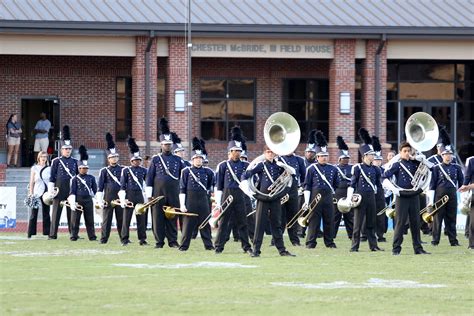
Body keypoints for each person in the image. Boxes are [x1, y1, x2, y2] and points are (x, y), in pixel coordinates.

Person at [242, 145, 295, 257]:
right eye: (268, 152)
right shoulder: (261, 165)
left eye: (272, 152)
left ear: (275, 154)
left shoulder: (278, 165)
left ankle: (282, 250)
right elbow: (246, 174)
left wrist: (283, 165)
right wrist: (248, 190)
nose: (270, 154)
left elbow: (292, 173)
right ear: (264, 154)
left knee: (277, 224)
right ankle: (256, 250)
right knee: (260, 224)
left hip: (275, 198)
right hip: (262, 199)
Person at [383, 141, 430, 255]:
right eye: (405, 151)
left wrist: (419, 158)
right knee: (400, 223)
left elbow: (431, 167)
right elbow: (384, 177)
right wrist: (394, 190)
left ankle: (418, 248)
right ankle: (396, 249)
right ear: (400, 153)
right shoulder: (396, 165)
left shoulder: (415, 163)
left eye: (409, 151)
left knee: (415, 222)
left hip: (414, 195)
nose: (407, 153)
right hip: (402, 196)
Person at [146, 118, 184, 249]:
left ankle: (173, 241)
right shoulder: (156, 159)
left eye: (169, 144)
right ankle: (159, 241)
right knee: (158, 217)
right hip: (158, 192)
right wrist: (149, 195)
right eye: (165, 144)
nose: (167, 146)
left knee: (172, 216)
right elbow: (149, 178)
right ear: (161, 145)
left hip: (173, 192)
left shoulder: (178, 159)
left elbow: (182, 177)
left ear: (172, 145)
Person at [214, 126, 252, 254]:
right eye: (234, 150)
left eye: (239, 151)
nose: (237, 153)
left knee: (243, 222)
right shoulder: (223, 165)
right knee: (224, 222)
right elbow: (219, 185)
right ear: (229, 152)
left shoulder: (246, 165)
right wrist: (219, 203)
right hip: (227, 194)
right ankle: (219, 246)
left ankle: (246, 246)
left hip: (240, 195)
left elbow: (252, 181)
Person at [302, 130, 339, 249]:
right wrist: (307, 201)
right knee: (314, 220)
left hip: (328, 196)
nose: (324, 158)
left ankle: (329, 242)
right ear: (317, 157)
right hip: (314, 197)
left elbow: (336, 184)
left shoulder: (333, 169)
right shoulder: (311, 168)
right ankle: (310, 242)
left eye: (326, 156)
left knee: (329, 219)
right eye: (322, 156)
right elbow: (307, 185)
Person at [348, 129, 382, 252]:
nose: (373, 156)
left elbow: (378, 186)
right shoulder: (357, 168)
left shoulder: (376, 169)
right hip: (360, 198)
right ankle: (354, 246)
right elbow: (352, 184)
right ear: (365, 156)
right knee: (357, 224)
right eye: (371, 154)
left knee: (371, 222)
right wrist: (349, 198)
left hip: (371, 197)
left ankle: (373, 246)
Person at [178, 138, 215, 251]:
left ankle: (208, 245)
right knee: (188, 224)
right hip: (190, 200)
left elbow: (210, 187)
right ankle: (184, 246)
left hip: (203, 200)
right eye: (196, 158)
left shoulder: (208, 172)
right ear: (192, 160)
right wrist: (182, 205)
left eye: (200, 158)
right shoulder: (186, 171)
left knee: (205, 223)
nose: (198, 160)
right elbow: (182, 189)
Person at [428, 143, 463, 246]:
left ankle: (453, 241)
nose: (448, 156)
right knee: (438, 218)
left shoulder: (457, 167)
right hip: (439, 195)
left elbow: (461, 183)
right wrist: (430, 201)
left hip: (452, 195)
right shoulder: (436, 168)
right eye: (446, 154)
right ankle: (435, 240)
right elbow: (432, 185)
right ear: (442, 156)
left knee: (452, 218)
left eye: (450, 154)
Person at [47, 126, 78, 239]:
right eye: (66, 149)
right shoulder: (56, 161)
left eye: (69, 149)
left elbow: (76, 177)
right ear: (61, 150)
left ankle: (73, 234)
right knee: (56, 213)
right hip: (59, 188)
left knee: (72, 212)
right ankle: (52, 234)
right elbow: (52, 177)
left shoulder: (75, 161)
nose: (68, 151)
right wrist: (51, 191)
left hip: (70, 189)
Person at [120, 138, 148, 246]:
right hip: (129, 194)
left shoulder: (144, 170)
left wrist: (147, 196)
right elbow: (123, 185)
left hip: (139, 195)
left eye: (139, 160)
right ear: (131, 161)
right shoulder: (126, 170)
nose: (137, 162)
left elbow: (147, 183)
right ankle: (124, 239)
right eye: (135, 160)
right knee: (126, 218)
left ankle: (142, 239)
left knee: (141, 218)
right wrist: (123, 199)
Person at [96, 133, 123, 244]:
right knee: (106, 220)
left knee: (121, 219)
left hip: (120, 197)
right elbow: (100, 187)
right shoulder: (104, 171)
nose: (114, 159)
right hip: (108, 197)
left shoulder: (123, 169)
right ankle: (103, 239)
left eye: (116, 157)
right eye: (112, 157)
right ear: (108, 159)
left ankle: (124, 238)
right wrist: (99, 200)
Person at [277, 149, 306, 246]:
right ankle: (276, 239)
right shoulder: (278, 159)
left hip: (293, 190)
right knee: (279, 216)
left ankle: (295, 240)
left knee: (293, 216)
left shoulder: (299, 160)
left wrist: (301, 186)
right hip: (281, 189)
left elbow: (303, 176)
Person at [68, 145, 97, 241]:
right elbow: (72, 191)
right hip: (78, 199)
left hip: (88, 199)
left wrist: (97, 199)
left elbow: (95, 190)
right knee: (75, 219)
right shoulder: (75, 178)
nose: (84, 170)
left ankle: (92, 236)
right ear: (79, 169)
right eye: (82, 168)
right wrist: (73, 202)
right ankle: (73, 235)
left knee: (90, 219)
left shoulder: (91, 178)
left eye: (86, 168)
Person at [333, 136, 354, 240]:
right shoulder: (335, 168)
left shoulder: (352, 167)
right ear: (339, 159)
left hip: (348, 191)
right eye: (344, 158)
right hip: (338, 192)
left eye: (347, 158)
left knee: (349, 215)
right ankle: (332, 235)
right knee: (336, 215)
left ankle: (352, 235)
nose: (346, 160)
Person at [26, 151, 51, 238]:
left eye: (45, 156)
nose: (43, 158)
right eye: (42, 156)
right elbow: (32, 181)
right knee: (34, 213)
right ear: (39, 158)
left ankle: (47, 233)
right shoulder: (34, 168)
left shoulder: (49, 168)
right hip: (36, 192)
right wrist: (31, 193)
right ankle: (30, 233)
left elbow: (51, 181)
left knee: (46, 212)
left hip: (46, 193)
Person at [458, 156, 473, 249]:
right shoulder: (472, 161)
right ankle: (472, 244)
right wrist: (464, 186)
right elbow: (467, 176)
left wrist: (468, 187)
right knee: (473, 222)